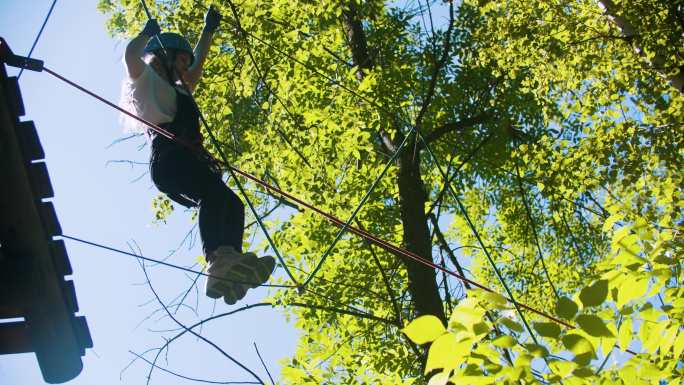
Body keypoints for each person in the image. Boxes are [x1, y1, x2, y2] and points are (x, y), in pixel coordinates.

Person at [120, 7, 275, 304]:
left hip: (186, 159)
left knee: (232, 202)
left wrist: (208, 31)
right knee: (214, 196)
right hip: (169, 159)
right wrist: (145, 35)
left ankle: (232, 263)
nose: (184, 67)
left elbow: (196, 69)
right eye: (179, 59)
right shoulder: (145, 81)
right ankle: (218, 262)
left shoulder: (180, 91)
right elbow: (130, 56)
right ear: (163, 58)